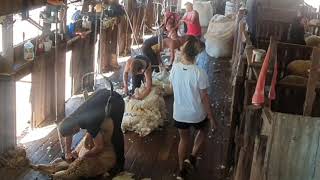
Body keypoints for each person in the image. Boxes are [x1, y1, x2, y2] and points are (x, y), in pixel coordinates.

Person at [169, 36, 217, 180]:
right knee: (203, 130)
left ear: (184, 52)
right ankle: (192, 156)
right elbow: (204, 98)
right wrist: (211, 117)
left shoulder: (175, 68)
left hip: (179, 113)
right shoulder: (199, 72)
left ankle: (181, 169)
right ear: (196, 54)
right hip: (196, 114)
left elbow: (171, 88)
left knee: (183, 139)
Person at [58, 88, 125, 178]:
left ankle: (120, 163)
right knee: (95, 132)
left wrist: (85, 156)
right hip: (101, 96)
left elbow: (99, 146)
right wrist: (68, 152)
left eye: (73, 133)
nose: (72, 135)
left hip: (116, 101)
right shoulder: (71, 118)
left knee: (115, 133)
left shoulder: (90, 123)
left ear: (75, 129)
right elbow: (68, 133)